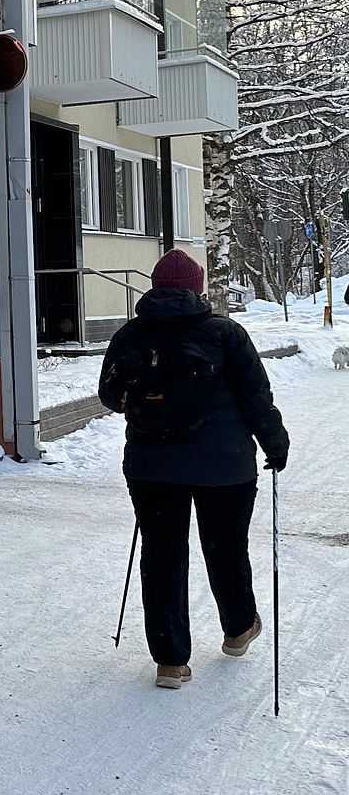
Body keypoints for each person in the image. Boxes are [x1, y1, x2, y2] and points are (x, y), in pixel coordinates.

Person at [98, 248, 290, 689]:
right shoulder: (225, 333)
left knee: (161, 554)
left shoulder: (130, 334)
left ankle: (170, 660)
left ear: (155, 287)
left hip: (151, 467)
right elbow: (256, 397)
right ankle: (238, 628)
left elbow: (110, 395)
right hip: (224, 466)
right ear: (197, 288)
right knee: (226, 547)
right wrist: (275, 445)